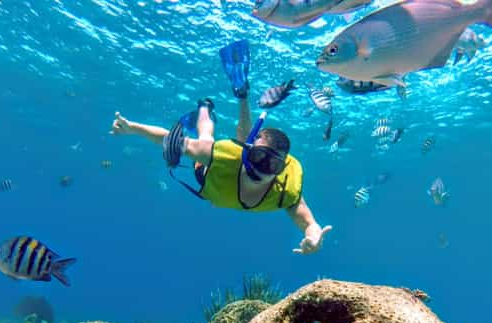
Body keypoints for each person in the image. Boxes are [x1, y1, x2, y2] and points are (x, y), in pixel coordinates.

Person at [110, 40, 332, 255]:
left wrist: (313, 237)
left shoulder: (287, 189)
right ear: (248, 153)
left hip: (223, 177)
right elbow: (172, 140)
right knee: (205, 139)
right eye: (259, 157)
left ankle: (240, 95)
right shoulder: (224, 157)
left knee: (240, 136)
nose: (262, 168)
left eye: (272, 163)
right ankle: (206, 107)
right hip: (212, 170)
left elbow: (309, 222)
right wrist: (133, 128)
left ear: (282, 168)